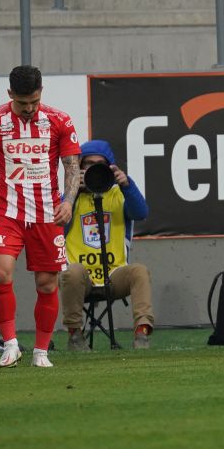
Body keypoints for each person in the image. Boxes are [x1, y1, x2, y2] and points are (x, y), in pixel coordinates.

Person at [0, 65, 81, 368]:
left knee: (47, 285)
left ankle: (41, 352)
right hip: (7, 212)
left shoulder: (59, 120)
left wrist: (68, 201)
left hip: (47, 214)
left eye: (34, 102)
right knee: (1, 273)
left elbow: (71, 166)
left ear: (41, 93)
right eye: (22, 102)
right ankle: (11, 345)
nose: (29, 109)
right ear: (10, 94)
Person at [59, 140, 155, 350]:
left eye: (99, 164)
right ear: (80, 167)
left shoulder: (120, 194)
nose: (93, 168)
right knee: (70, 272)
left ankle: (142, 333)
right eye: (88, 164)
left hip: (114, 275)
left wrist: (126, 184)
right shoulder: (67, 198)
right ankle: (75, 334)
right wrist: (73, 192)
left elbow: (141, 213)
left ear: (109, 166)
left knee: (139, 271)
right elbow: (57, 229)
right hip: (81, 278)